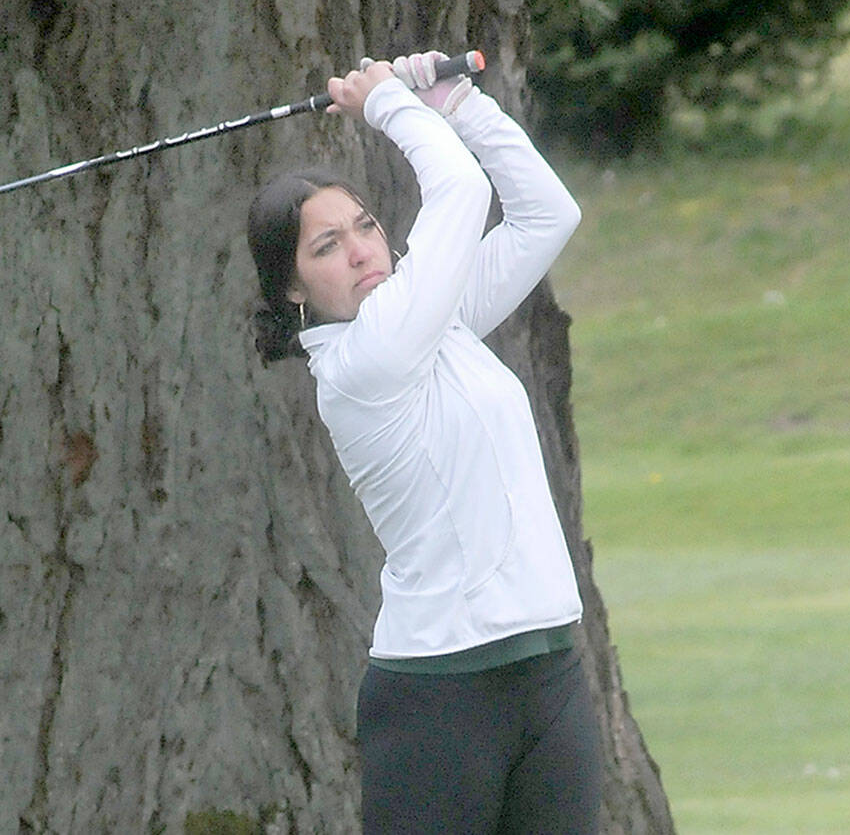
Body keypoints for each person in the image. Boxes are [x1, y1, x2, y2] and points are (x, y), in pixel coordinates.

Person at [246, 52, 601, 833]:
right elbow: (463, 191)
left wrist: (456, 102)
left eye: (365, 226)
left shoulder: (438, 321)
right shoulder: (361, 364)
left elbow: (548, 214)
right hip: (441, 702)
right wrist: (390, 106)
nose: (362, 249)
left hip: (551, 676)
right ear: (295, 292)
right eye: (326, 246)